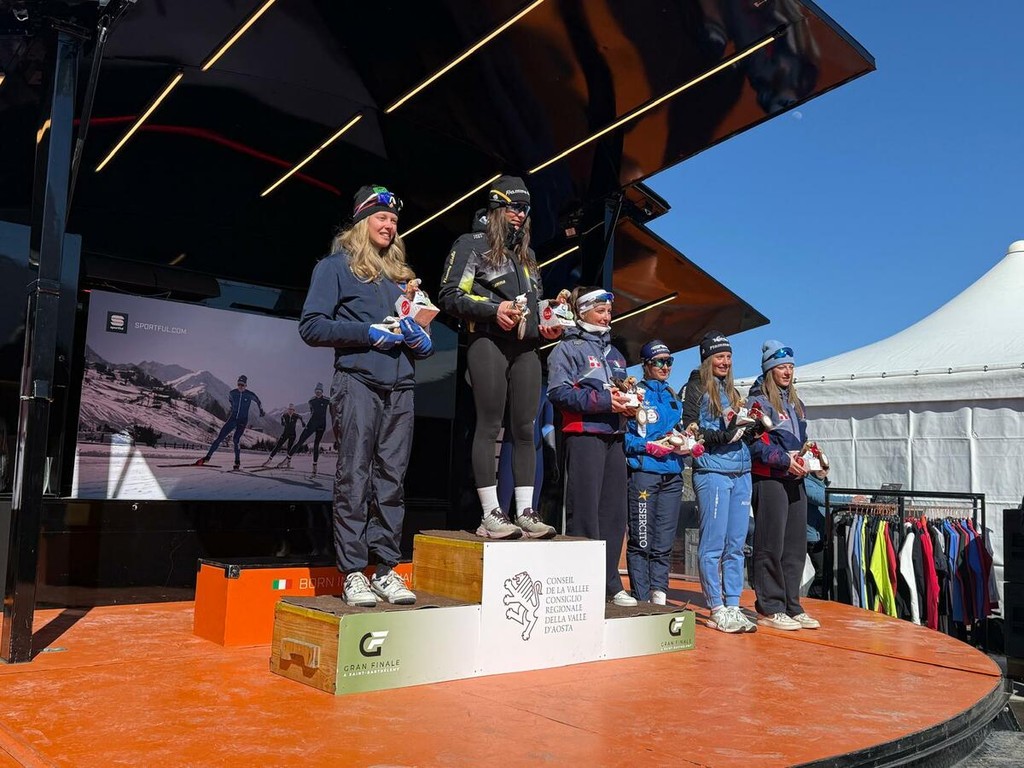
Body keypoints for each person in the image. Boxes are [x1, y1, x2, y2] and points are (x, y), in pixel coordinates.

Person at [298, 184, 433, 608]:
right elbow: (311, 326)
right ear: (361, 221)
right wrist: (366, 333)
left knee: (391, 480)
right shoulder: (335, 268)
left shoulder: (401, 278)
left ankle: (386, 569)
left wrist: (422, 340)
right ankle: (354, 572)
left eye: (394, 220)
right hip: (356, 383)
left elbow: (421, 332)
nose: (389, 225)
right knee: (354, 476)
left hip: (401, 387)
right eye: (381, 218)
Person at [438, 176, 562, 540]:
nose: (520, 214)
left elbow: (532, 308)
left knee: (525, 428)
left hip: (526, 347)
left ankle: (525, 511)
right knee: (490, 424)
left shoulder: (528, 256)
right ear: (496, 207)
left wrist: (548, 323)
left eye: (525, 209)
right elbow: (449, 295)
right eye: (513, 207)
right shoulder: (472, 244)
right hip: (487, 340)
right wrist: (495, 310)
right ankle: (490, 513)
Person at [547, 287, 638, 608]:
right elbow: (558, 392)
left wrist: (630, 404)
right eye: (600, 311)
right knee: (585, 511)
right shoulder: (566, 348)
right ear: (582, 312)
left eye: (609, 311)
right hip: (584, 433)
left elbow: (619, 390)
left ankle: (610, 582)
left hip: (615, 435)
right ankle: (583, 581)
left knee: (614, 514)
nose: (606, 316)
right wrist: (604, 401)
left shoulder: (615, 354)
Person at [682, 332, 756, 633]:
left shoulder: (732, 390)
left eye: (728, 356)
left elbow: (736, 428)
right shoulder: (696, 386)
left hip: (741, 471)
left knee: (736, 545)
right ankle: (716, 608)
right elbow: (690, 430)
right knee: (713, 544)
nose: (725, 361)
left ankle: (733, 605)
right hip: (713, 471)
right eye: (719, 356)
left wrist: (751, 428)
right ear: (707, 359)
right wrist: (723, 436)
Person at [746, 340, 819, 630]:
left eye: (790, 367)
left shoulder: (796, 404)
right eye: (781, 367)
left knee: (795, 545)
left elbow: (802, 442)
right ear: (769, 370)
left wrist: (812, 460)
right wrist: (783, 461)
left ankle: (792, 604)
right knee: (770, 543)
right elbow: (754, 445)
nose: (787, 372)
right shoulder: (758, 402)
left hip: (795, 478)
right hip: (769, 478)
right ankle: (770, 606)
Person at [623, 340, 686, 605]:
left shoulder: (673, 396)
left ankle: (659, 594)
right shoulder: (634, 393)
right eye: (659, 361)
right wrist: (647, 446)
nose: (665, 367)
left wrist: (687, 443)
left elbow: (678, 432)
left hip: (672, 475)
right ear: (646, 364)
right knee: (642, 540)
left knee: (664, 542)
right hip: (645, 474)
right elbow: (624, 439)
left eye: (669, 361)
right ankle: (641, 598)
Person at [194, 374, 264, 470]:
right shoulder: (232, 393)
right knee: (220, 437)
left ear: (246, 385)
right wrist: (233, 408)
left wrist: (261, 411)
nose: (240, 386)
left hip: (242, 420)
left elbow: (258, 401)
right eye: (239, 384)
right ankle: (207, 458)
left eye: (242, 385)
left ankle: (237, 461)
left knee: (236, 440)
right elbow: (230, 400)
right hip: (233, 418)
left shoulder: (250, 394)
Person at [280, 383, 330, 475]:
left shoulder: (327, 400)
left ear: (322, 392)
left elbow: (336, 403)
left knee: (316, 444)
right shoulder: (311, 401)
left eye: (319, 391)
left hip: (322, 425)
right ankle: (287, 459)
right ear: (314, 391)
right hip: (312, 424)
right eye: (316, 391)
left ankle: (314, 466)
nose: (318, 393)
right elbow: (312, 411)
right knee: (300, 441)